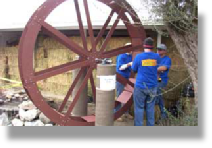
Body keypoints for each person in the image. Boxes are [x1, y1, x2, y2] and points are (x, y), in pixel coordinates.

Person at [132, 37, 161, 126]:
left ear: (144, 46)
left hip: (140, 86)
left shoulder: (139, 56)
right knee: (150, 108)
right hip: (152, 86)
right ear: (153, 46)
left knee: (139, 108)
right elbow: (157, 69)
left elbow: (133, 69)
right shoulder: (157, 57)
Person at [115, 43, 133, 121]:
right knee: (120, 96)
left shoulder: (132, 56)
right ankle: (117, 114)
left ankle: (126, 113)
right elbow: (120, 67)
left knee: (127, 96)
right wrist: (129, 64)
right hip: (120, 79)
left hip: (128, 79)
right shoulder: (121, 56)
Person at [156, 44, 172, 120]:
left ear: (165, 51)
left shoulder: (167, 59)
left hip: (160, 79)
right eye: (158, 49)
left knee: (158, 90)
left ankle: (163, 112)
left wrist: (153, 69)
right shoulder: (155, 57)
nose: (158, 50)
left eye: (160, 49)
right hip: (153, 79)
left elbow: (164, 68)